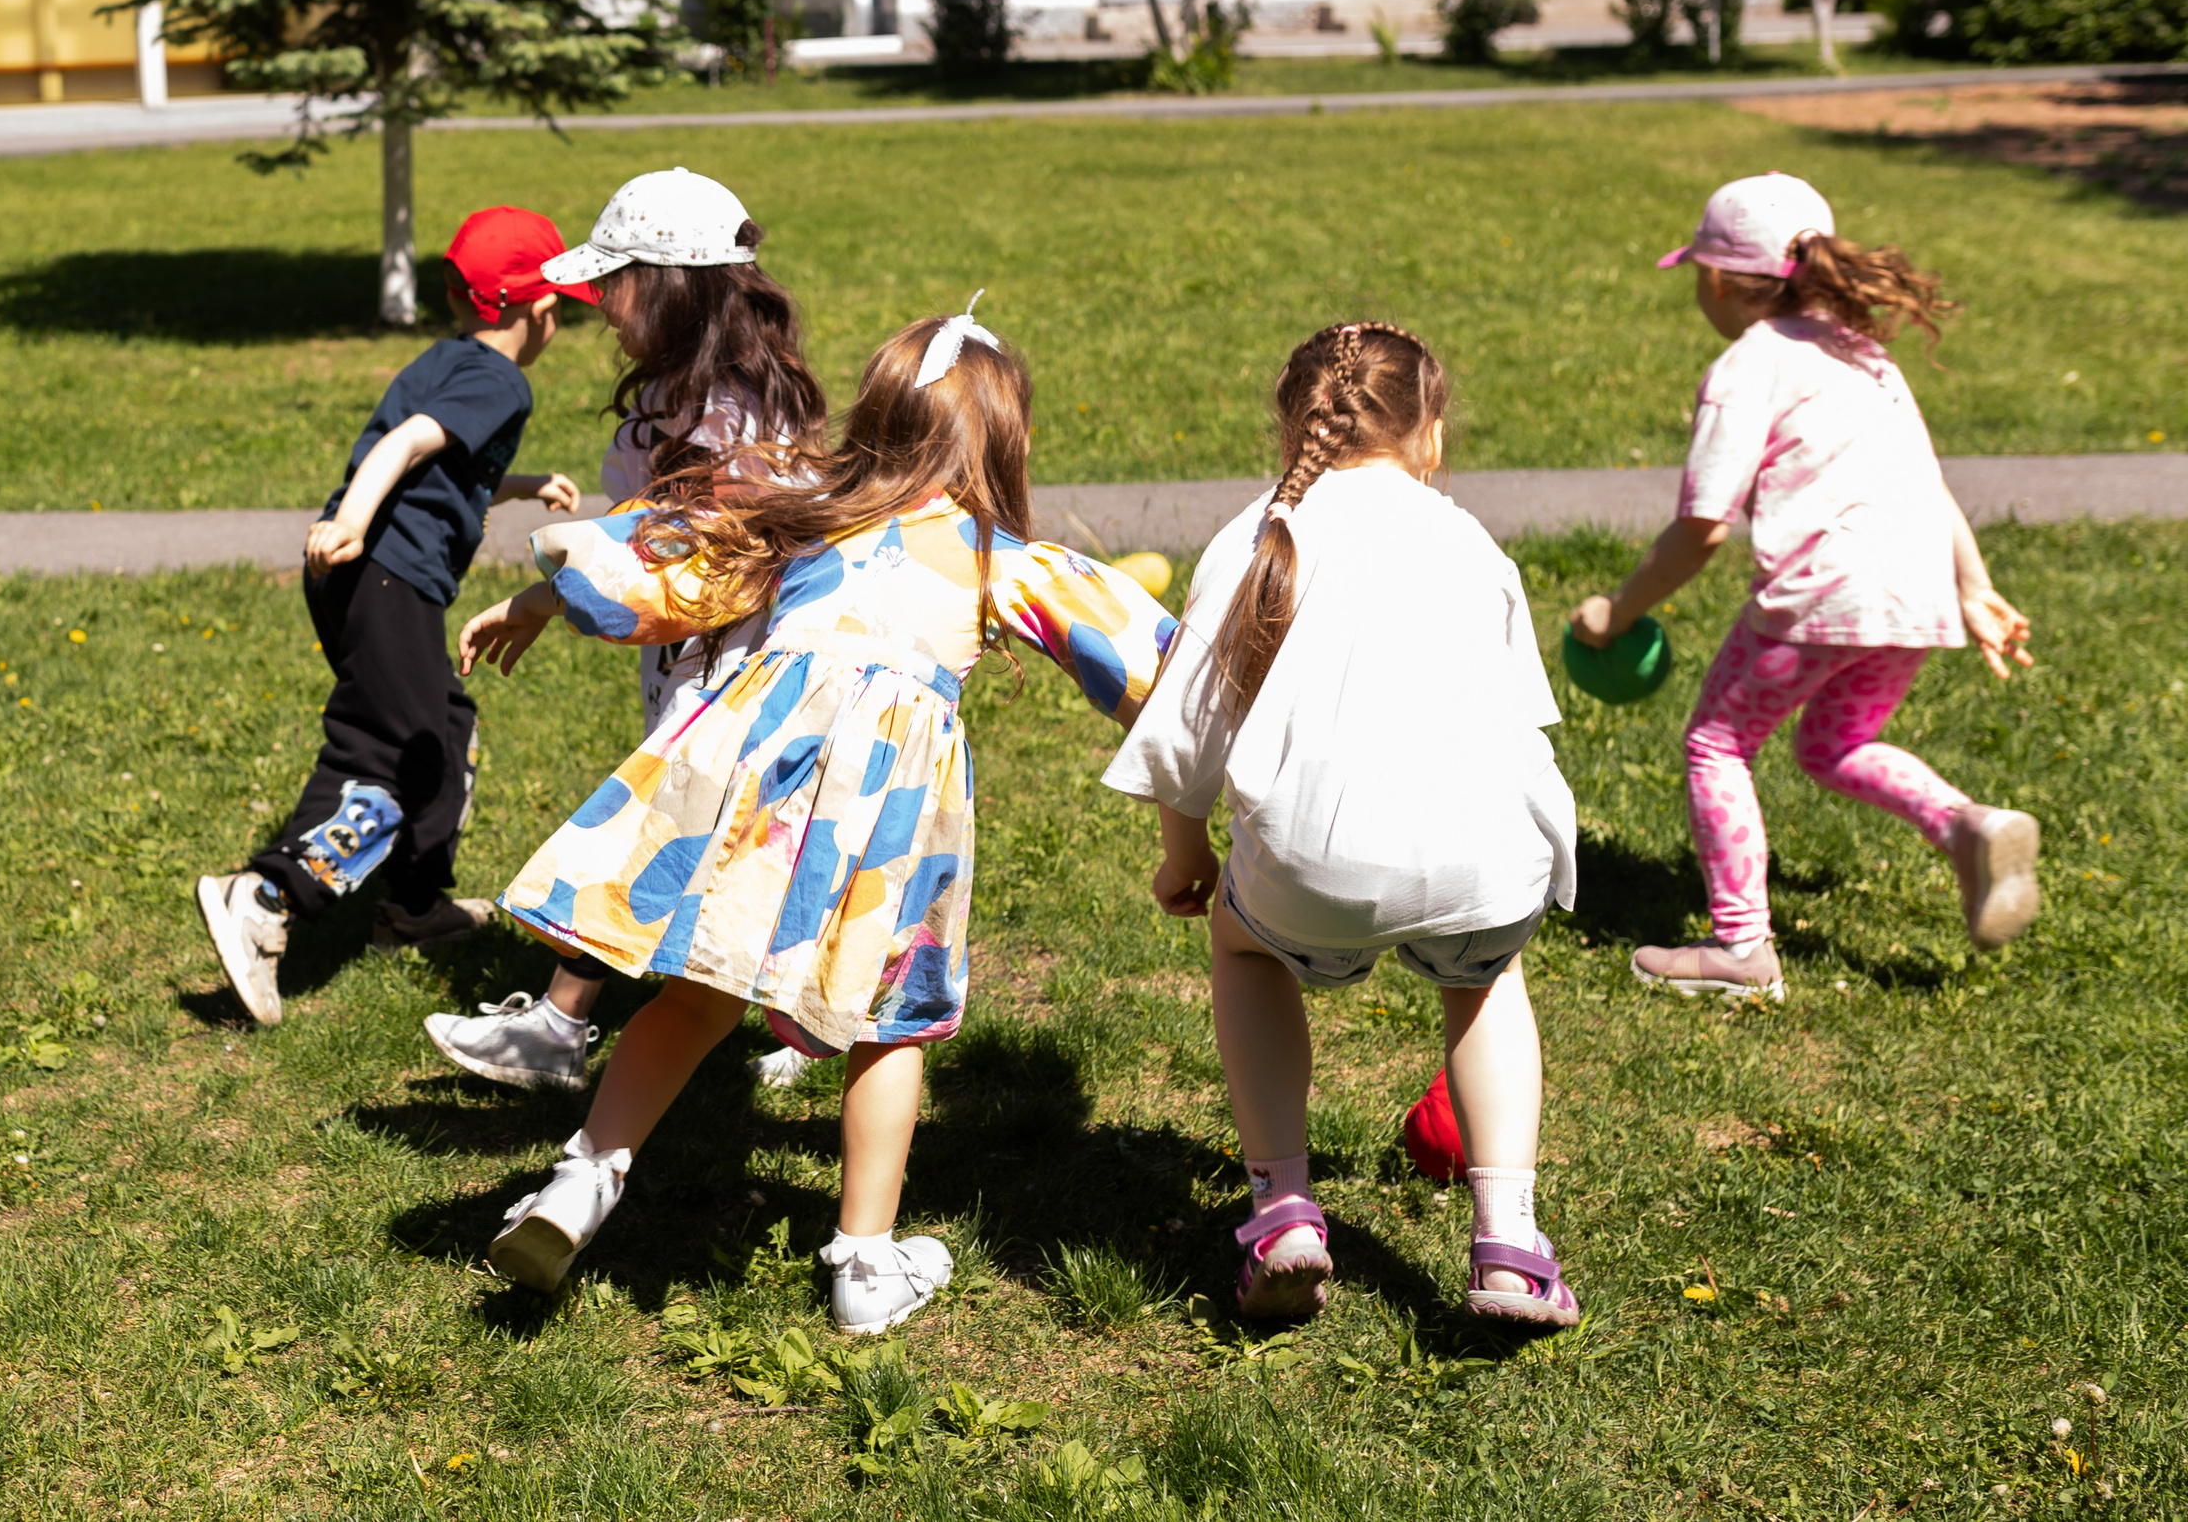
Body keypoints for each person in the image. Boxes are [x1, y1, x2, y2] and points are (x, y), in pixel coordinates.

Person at [457, 303, 1177, 1333]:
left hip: (749, 777)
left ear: (876, 416)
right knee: (889, 1025)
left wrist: (542, 600)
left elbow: (654, 563)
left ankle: (580, 1183)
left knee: (698, 987)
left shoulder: (802, 508)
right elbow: (1143, 660)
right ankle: (864, 1263)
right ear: (1003, 444)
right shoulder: (993, 558)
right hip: (883, 818)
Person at [1104, 321, 1581, 1328]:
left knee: (1243, 951)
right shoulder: (1467, 540)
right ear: (1431, 436)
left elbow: (1184, 740)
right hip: (1483, 860)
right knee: (1485, 975)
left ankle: (1280, 1210)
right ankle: (1507, 1245)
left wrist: (1183, 861)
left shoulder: (1253, 540)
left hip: (1310, 872)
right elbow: (1520, 716)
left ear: (1291, 433)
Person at [1570, 173, 2039, 1002]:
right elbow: (1926, 479)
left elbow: (1702, 528)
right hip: (1913, 593)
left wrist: (1617, 609)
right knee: (1834, 744)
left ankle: (1741, 948)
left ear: (1715, 277)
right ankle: (1971, 826)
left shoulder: (1748, 366)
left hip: (1822, 594)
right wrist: (1972, 584)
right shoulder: (1864, 352)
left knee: (1717, 743)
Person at [418, 167, 830, 1092]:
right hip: (682, 659)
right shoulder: (683, 390)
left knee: (659, 827)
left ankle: (560, 1026)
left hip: (739, 666)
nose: (601, 300)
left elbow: (687, 548)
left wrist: (548, 596)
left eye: (617, 280)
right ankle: (802, 1026)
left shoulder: (738, 413)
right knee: (736, 846)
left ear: (675, 285)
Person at [193, 208, 588, 1028]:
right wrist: (354, 522)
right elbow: (408, 443)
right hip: (383, 573)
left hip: (369, 574)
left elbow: (446, 467)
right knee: (394, 748)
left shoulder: (449, 358)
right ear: (538, 308)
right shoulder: (501, 380)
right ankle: (266, 895)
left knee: (444, 727)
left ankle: (412, 906)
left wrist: (522, 485)